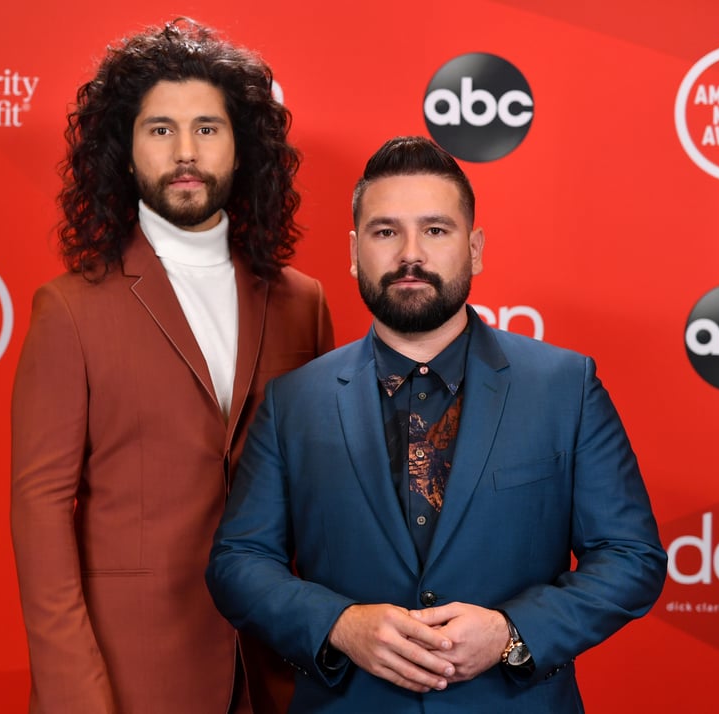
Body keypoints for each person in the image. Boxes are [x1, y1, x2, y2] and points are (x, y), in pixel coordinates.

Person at [206, 136, 667, 712]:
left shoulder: (563, 386)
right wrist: (340, 625)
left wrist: (510, 633)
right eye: (385, 231)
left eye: (436, 230)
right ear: (354, 252)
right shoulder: (294, 401)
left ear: (474, 249)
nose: (410, 254)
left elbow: (630, 556)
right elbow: (239, 562)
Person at [10, 18, 333, 714]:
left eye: (207, 129)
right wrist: (73, 693)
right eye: (160, 129)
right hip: (131, 675)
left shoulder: (301, 303)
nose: (185, 151)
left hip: (278, 664)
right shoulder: (68, 310)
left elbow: (324, 495)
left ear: (244, 147)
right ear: (123, 152)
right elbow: (40, 512)